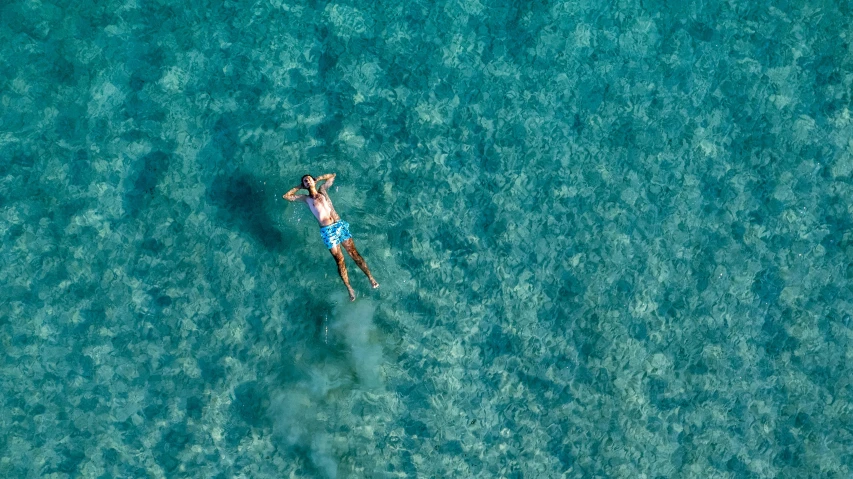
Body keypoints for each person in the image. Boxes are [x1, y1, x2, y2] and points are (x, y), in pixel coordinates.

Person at [283, 173, 378, 301]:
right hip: (327, 232)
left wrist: (319, 178)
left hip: (339, 225)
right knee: (340, 260)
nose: (307, 181)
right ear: (304, 185)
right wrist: (299, 186)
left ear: (313, 181)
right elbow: (286, 196)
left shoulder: (322, 190)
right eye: (305, 181)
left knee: (353, 253)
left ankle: (370, 278)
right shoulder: (305, 198)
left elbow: (333, 176)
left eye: (309, 179)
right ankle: (349, 288)